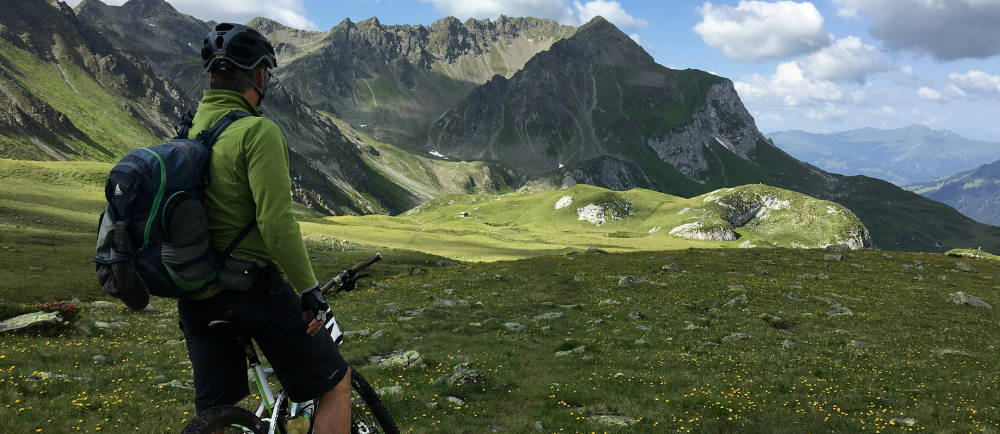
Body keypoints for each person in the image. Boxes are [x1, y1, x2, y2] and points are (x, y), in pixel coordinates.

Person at [179, 23, 351, 434]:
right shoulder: (257, 130)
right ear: (260, 74)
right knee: (334, 383)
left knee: (215, 412)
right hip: (250, 290)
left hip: (195, 295)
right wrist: (309, 290)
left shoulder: (189, 130)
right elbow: (275, 223)